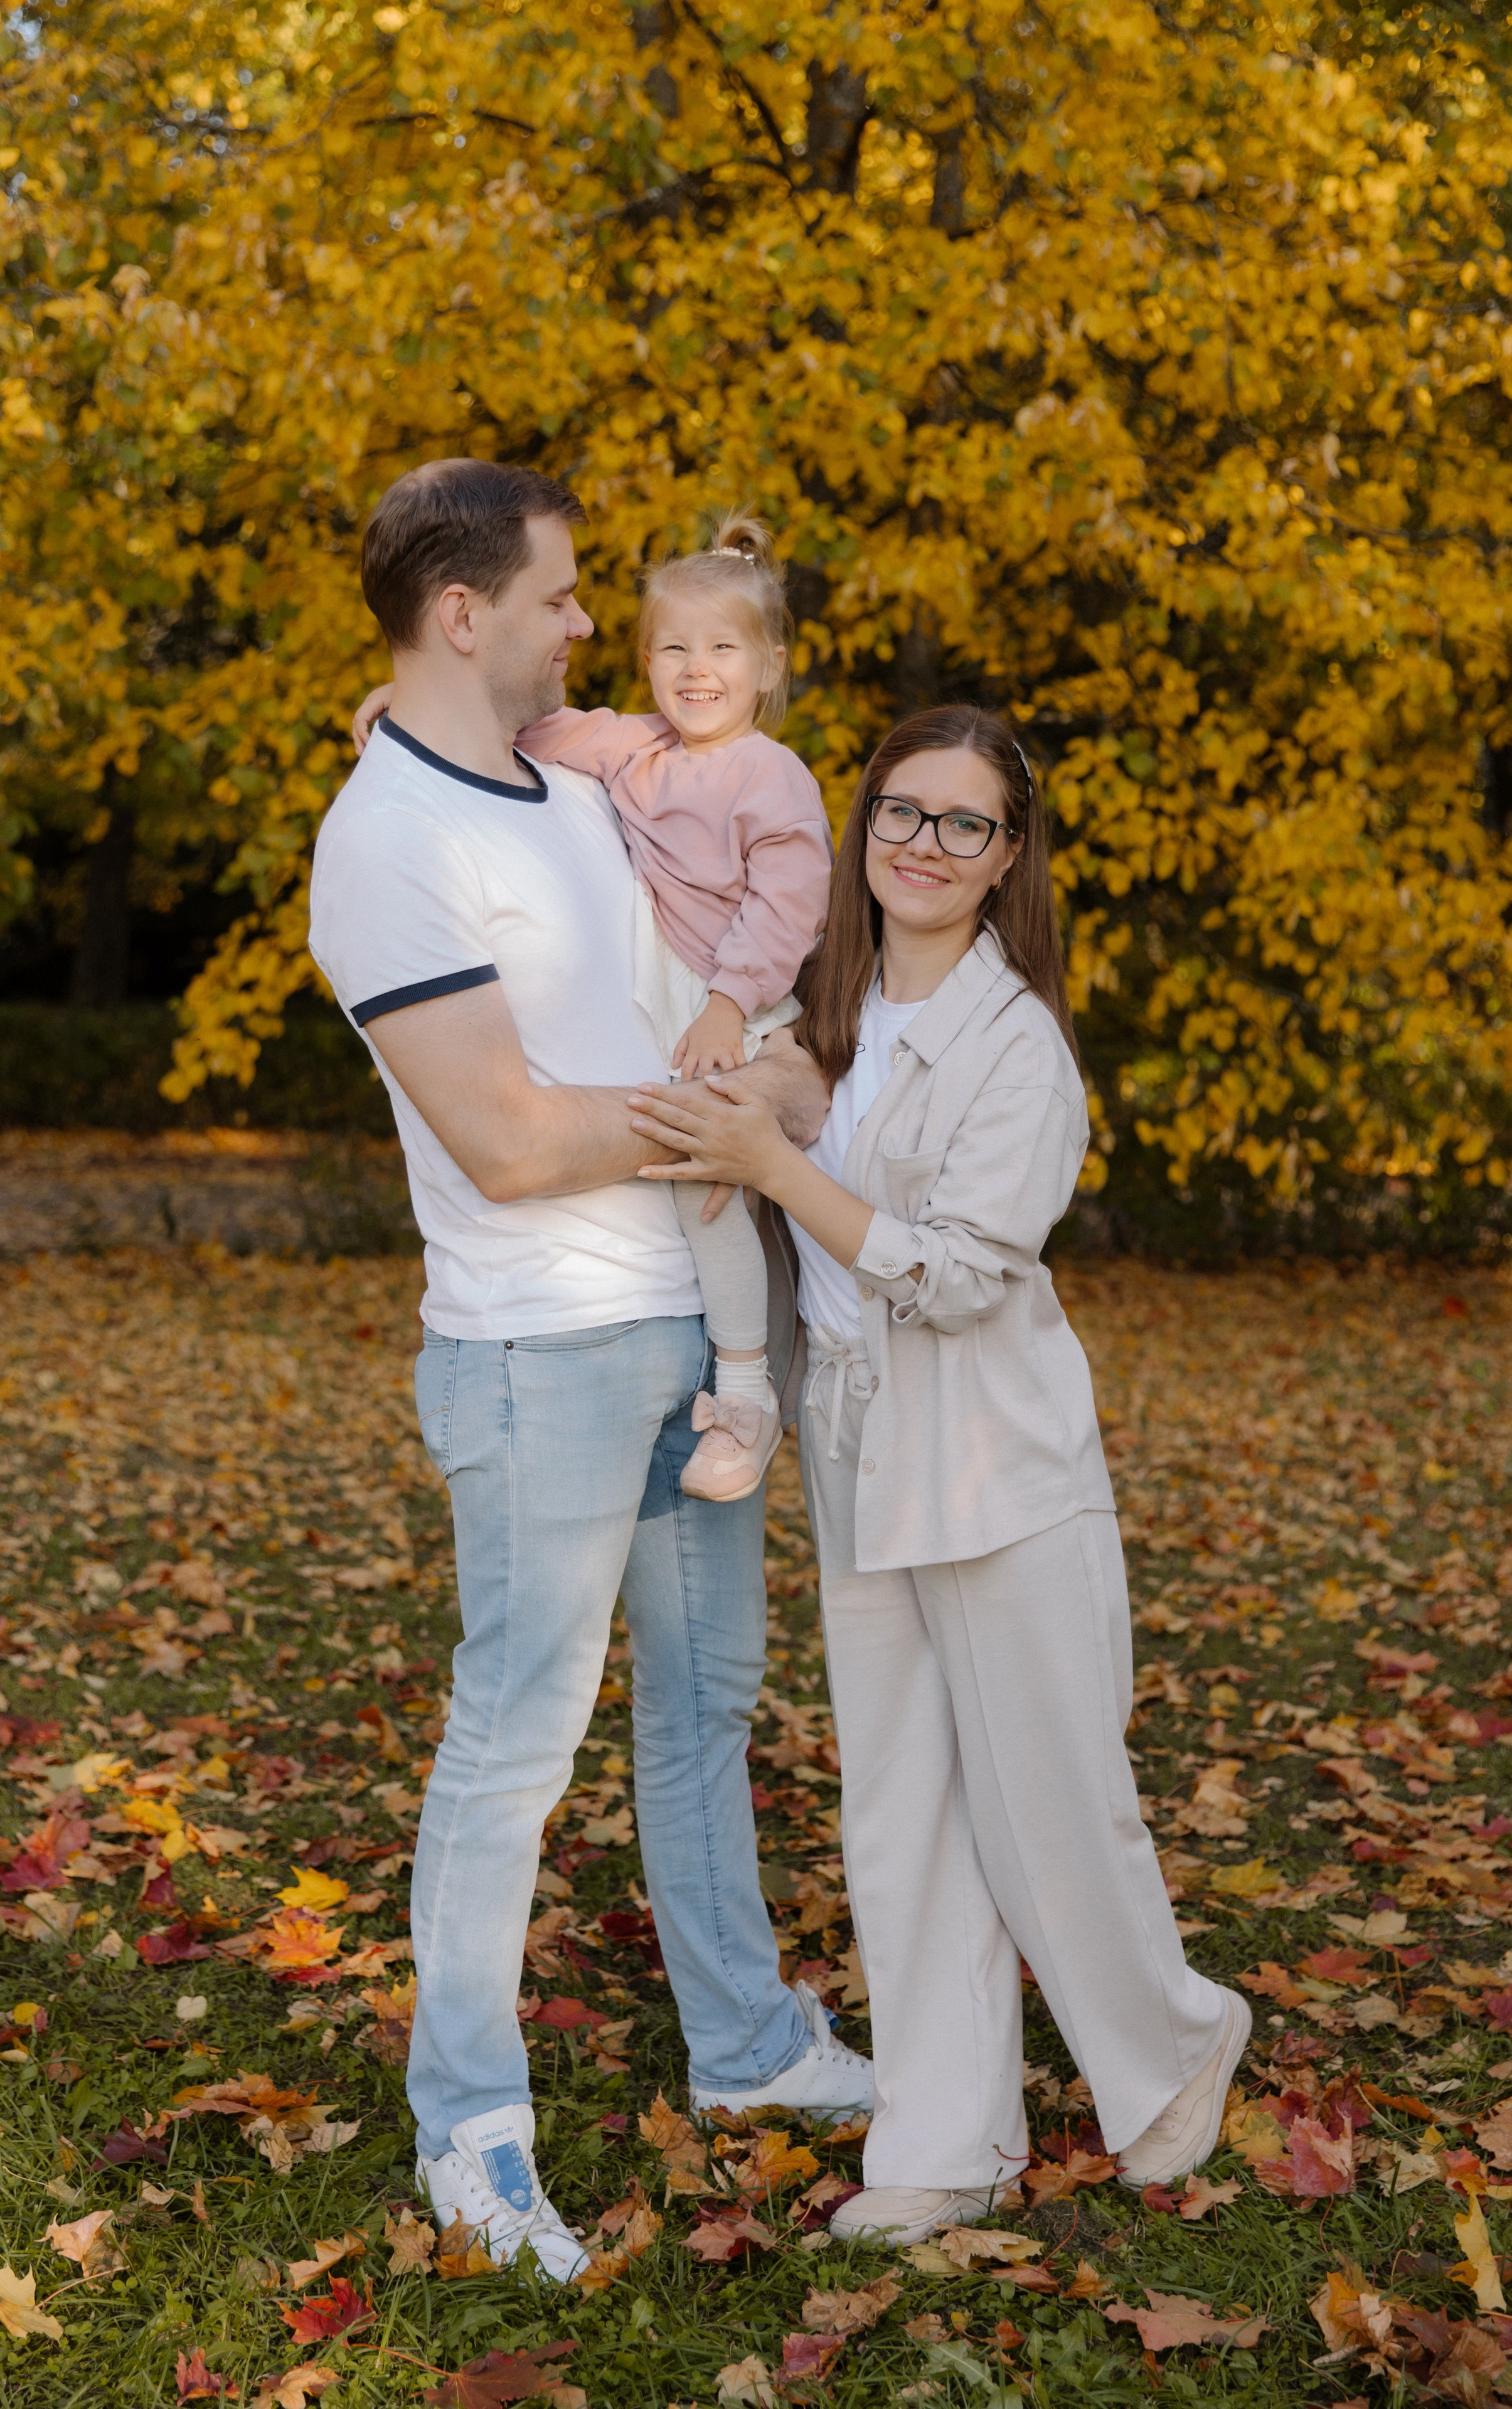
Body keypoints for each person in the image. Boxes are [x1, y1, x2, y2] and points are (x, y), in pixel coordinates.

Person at [309, 459, 872, 2285]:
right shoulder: (390, 840)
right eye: (561, 599)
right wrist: (724, 1120)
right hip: (537, 1357)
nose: (589, 630)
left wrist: (764, 1102)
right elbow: (509, 1141)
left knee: (705, 1708)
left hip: (688, 1331)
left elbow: (733, 1010)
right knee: (512, 1753)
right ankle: (470, 2131)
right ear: (462, 614)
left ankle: (746, 2043)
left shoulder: (569, 783)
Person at [628, 704, 1250, 2249]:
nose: (922, 843)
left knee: (1047, 1801)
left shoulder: (1015, 1045)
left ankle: (1171, 2046)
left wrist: (782, 1170)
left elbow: (962, 1276)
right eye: (900, 811)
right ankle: (941, 2133)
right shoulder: (831, 1018)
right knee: (901, 1808)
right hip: (857, 1447)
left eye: (962, 824)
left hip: (996, 1455)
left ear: (1007, 858)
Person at [351, 514, 833, 1504]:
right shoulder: (632, 746)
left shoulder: (771, 775)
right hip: (670, 1001)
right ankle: (752, 1372)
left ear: (771, 664)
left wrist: (725, 1007)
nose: (696, 671)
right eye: (673, 649)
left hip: (735, 1000)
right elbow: (511, 721)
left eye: (724, 650)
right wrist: (402, 700)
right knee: (710, 1196)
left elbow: (789, 908)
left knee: (712, 1199)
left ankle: (746, 1393)